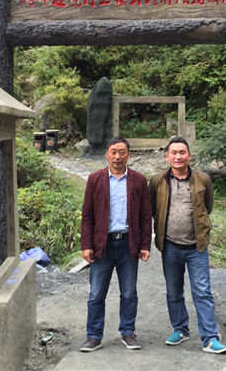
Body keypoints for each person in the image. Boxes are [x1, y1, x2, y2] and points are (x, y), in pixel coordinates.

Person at [149, 136, 226, 354]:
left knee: (202, 292)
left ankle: (210, 338)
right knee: (173, 291)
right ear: (167, 156)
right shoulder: (157, 181)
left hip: (196, 247)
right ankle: (181, 329)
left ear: (189, 156)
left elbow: (207, 207)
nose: (178, 156)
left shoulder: (203, 180)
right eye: (173, 153)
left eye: (182, 152)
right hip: (170, 247)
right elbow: (153, 209)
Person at [79, 137, 152, 352]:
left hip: (128, 244)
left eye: (122, 152)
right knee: (96, 293)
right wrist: (86, 245)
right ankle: (94, 336)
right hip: (102, 245)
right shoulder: (95, 179)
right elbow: (87, 216)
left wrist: (145, 245)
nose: (117, 156)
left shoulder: (139, 180)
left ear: (128, 154)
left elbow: (145, 216)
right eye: (113, 152)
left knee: (129, 292)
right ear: (107, 154)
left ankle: (128, 332)